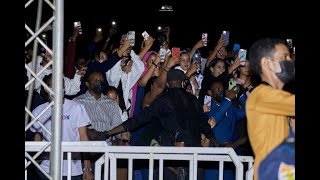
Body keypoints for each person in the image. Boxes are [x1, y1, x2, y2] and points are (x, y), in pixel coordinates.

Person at [246, 37, 295, 180]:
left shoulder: (281, 101)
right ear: (267, 63)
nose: (290, 61)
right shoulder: (261, 95)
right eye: (284, 57)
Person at [30, 74, 93, 180]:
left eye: (61, 86)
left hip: (72, 169)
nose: (58, 89)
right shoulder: (39, 111)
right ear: (46, 88)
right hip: (46, 169)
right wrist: (38, 162)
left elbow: (84, 137)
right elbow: (37, 138)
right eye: (53, 86)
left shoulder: (76, 107)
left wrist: (87, 169)